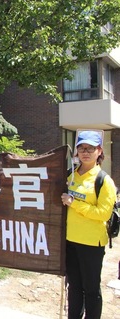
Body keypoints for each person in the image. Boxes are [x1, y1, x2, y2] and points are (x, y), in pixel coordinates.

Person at [61, 130, 116, 319]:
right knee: (74, 287)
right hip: (70, 241)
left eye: (90, 148)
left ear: (99, 151)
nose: (85, 152)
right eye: (82, 148)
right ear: (76, 151)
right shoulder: (70, 176)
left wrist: (74, 203)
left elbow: (103, 213)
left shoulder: (103, 181)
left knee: (91, 289)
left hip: (92, 243)